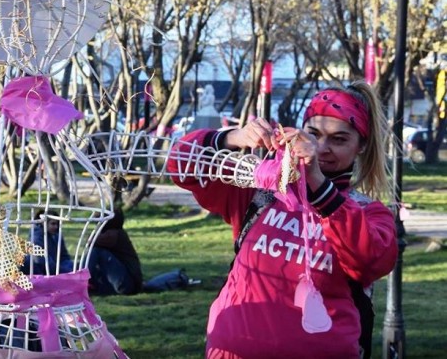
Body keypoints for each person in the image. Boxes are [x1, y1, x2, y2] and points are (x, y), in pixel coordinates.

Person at [167, 80, 398, 358]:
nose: (321, 148)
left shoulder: (369, 213)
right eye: (313, 133)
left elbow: (368, 261)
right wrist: (231, 138)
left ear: (361, 145)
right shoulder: (259, 190)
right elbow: (179, 165)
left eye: (339, 139)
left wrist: (316, 182)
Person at [88, 208, 143, 296]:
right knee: (96, 253)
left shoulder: (114, 235)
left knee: (98, 252)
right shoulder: (116, 233)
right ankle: (87, 281)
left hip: (126, 284)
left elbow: (91, 241)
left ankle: (82, 280)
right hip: (122, 282)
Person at [22, 210, 74, 275]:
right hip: (38, 272)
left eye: (57, 224)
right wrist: (60, 271)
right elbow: (39, 259)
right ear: (43, 223)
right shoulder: (36, 236)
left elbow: (64, 255)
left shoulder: (57, 235)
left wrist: (70, 268)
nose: (56, 227)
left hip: (54, 269)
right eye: (53, 224)